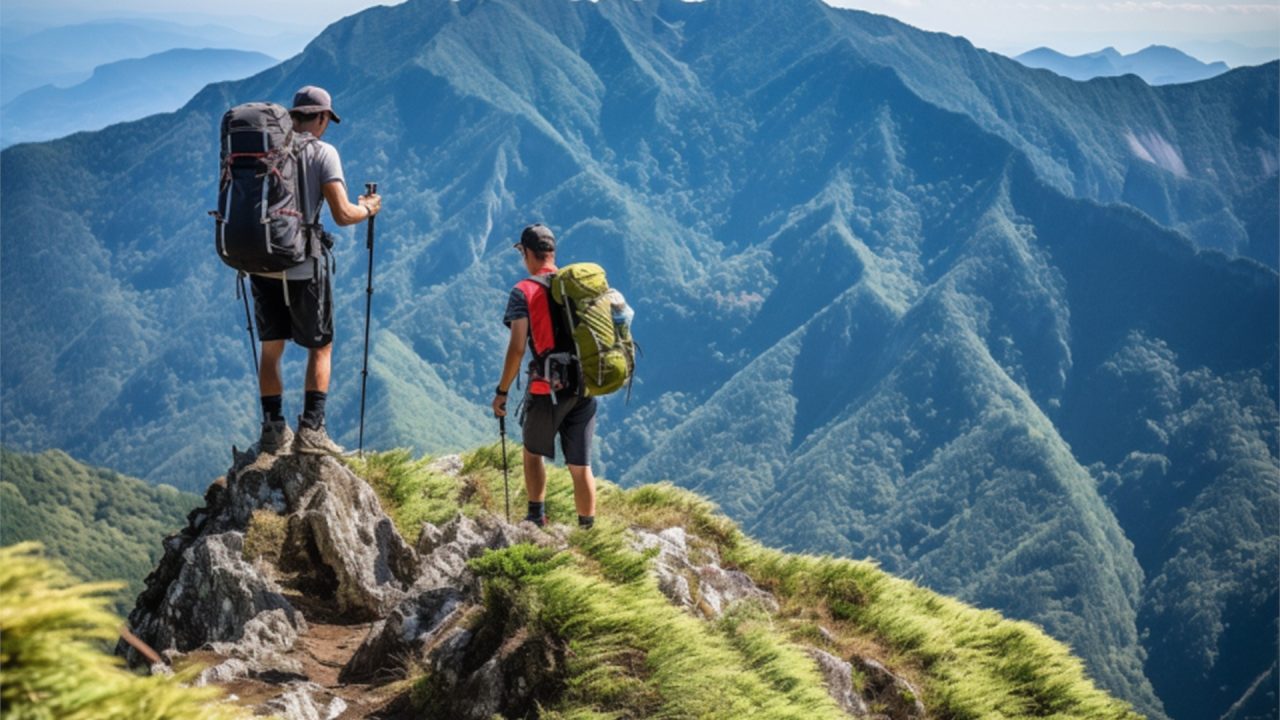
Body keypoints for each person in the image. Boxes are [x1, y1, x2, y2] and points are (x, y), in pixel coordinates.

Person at [252, 85, 382, 456]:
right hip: (302, 267)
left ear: (294, 115)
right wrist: (370, 208)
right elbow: (343, 215)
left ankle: (273, 430)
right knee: (321, 346)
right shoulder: (323, 152)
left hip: (263, 264)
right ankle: (312, 431)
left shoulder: (269, 149)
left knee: (271, 348)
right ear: (323, 118)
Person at [492, 224, 597, 529]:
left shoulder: (523, 291)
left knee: (531, 451)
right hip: (585, 384)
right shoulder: (576, 285)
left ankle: (536, 517)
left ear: (526, 253)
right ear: (552, 252)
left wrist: (502, 391)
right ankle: (588, 531)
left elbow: (516, 348)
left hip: (547, 387)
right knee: (580, 465)